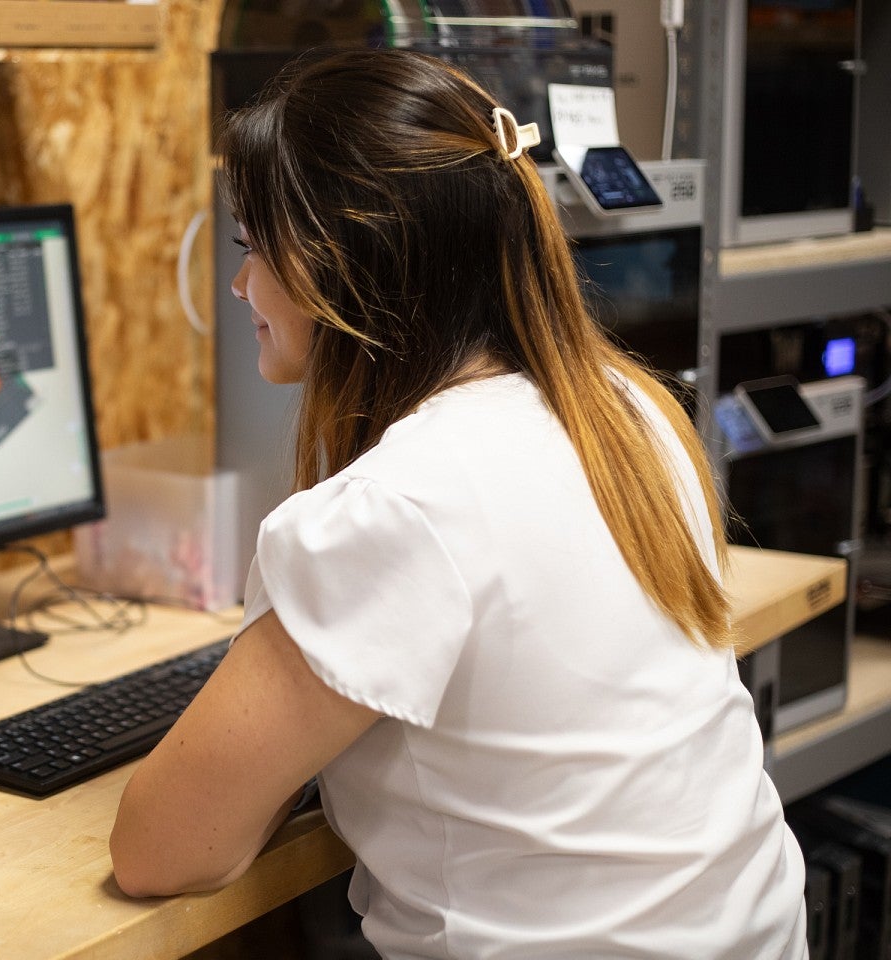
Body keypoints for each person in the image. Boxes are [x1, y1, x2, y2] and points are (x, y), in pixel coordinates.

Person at [109, 47, 808, 959]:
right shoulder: (626, 409)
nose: (240, 284)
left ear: (333, 266)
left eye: (252, 249)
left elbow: (160, 852)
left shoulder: (395, 509)